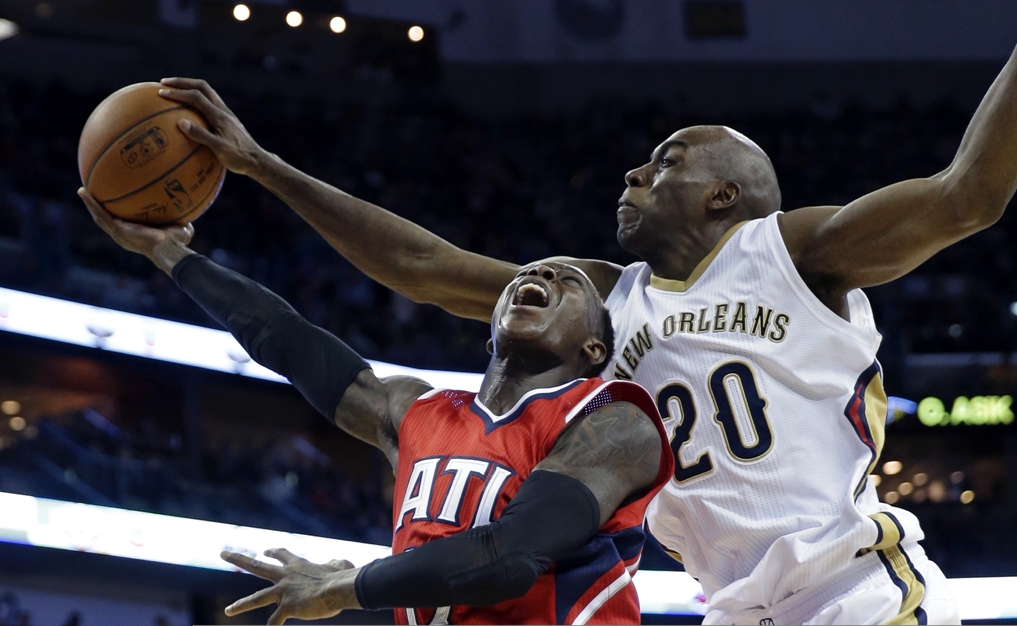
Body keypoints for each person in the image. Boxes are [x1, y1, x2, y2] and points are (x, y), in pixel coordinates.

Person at [157, 23, 1017, 622]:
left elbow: (968, 196)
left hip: (853, 591)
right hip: (731, 607)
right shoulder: (608, 298)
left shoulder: (790, 253)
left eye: (665, 162)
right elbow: (424, 269)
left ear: (724, 194)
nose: (634, 172)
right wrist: (264, 167)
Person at [78, 190, 673, 625]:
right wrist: (173, 257)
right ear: (490, 334)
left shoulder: (614, 421)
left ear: (595, 347)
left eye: (568, 282)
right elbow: (285, 339)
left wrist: (344, 586)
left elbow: (507, 557)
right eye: (530, 272)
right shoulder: (420, 412)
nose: (540, 271)